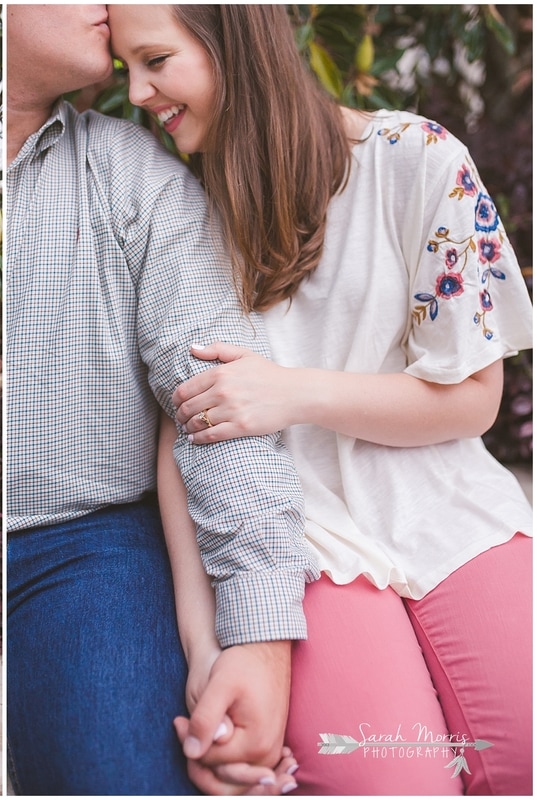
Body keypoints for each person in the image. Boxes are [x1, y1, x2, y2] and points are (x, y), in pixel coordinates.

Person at [109, 4, 533, 794]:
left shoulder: (419, 160)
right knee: (392, 785)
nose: (136, 92)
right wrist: (208, 647)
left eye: (155, 60)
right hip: (301, 548)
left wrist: (290, 393)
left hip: (450, 508)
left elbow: (473, 397)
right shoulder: (181, 219)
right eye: (125, 70)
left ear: (231, 40)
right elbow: (186, 435)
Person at [5, 5, 319, 795]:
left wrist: (255, 637)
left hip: (81, 551)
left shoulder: (132, 175)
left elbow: (214, 399)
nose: (106, 4)